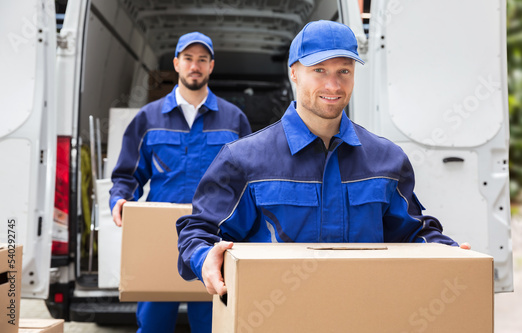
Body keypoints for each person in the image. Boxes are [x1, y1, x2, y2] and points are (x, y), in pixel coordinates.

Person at [176, 20, 470, 296]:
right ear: (294, 72)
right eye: (319, 70)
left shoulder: (386, 160)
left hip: (362, 314)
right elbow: (200, 232)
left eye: (344, 71)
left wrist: (447, 253)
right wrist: (204, 259)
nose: (334, 86)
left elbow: (412, 231)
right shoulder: (243, 160)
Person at [108, 32, 251, 333]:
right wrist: (120, 198)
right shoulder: (148, 118)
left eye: (202, 59)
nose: (194, 66)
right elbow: (127, 174)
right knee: (153, 325)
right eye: (188, 58)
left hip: (212, 239)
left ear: (211, 66)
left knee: (211, 325)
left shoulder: (234, 119)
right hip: (160, 238)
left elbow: (248, 181)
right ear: (176, 63)